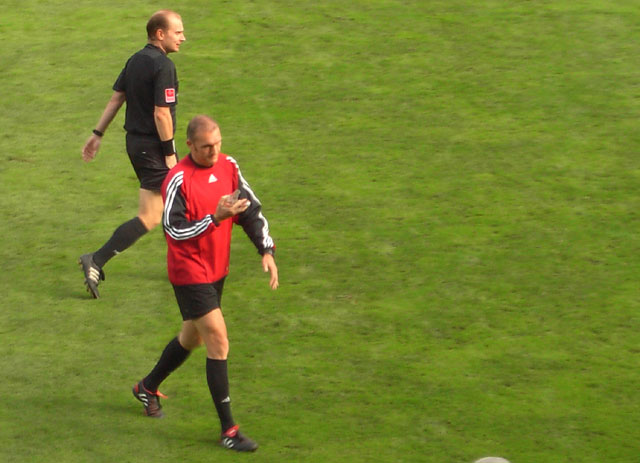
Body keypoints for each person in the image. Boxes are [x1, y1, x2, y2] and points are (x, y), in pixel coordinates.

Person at [131, 115, 278, 452]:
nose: (214, 151)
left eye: (217, 144)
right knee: (217, 340)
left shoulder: (229, 166)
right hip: (188, 272)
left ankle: (147, 387)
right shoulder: (177, 179)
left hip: (216, 270)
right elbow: (174, 230)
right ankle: (229, 431)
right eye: (206, 147)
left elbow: (249, 210)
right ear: (190, 146)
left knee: (192, 337)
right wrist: (214, 219)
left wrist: (266, 249)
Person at [79, 10, 186, 298]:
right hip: (153, 147)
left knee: (175, 202)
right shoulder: (163, 66)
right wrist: (170, 154)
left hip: (136, 144)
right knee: (153, 214)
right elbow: (162, 114)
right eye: (178, 32)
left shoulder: (135, 60)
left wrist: (97, 134)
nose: (183, 38)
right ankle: (96, 259)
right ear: (160, 34)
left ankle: (182, 266)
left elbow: (117, 97)